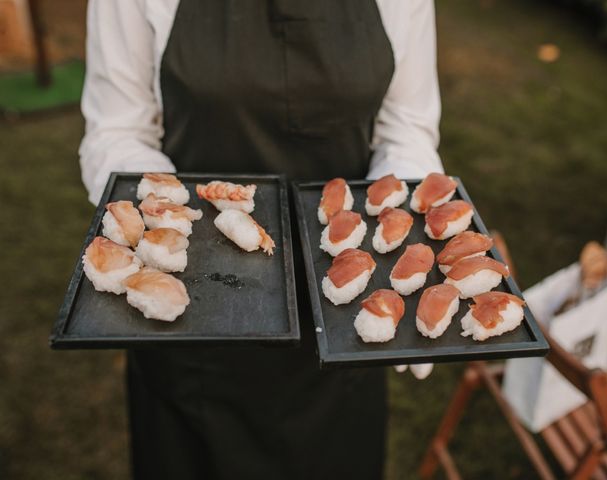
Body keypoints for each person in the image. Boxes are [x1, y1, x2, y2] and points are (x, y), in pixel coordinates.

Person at [79, 1, 443, 478]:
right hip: (191, 330)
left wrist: (408, 257)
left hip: (343, 324)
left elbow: (405, 129)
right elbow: (117, 130)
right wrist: (168, 225)